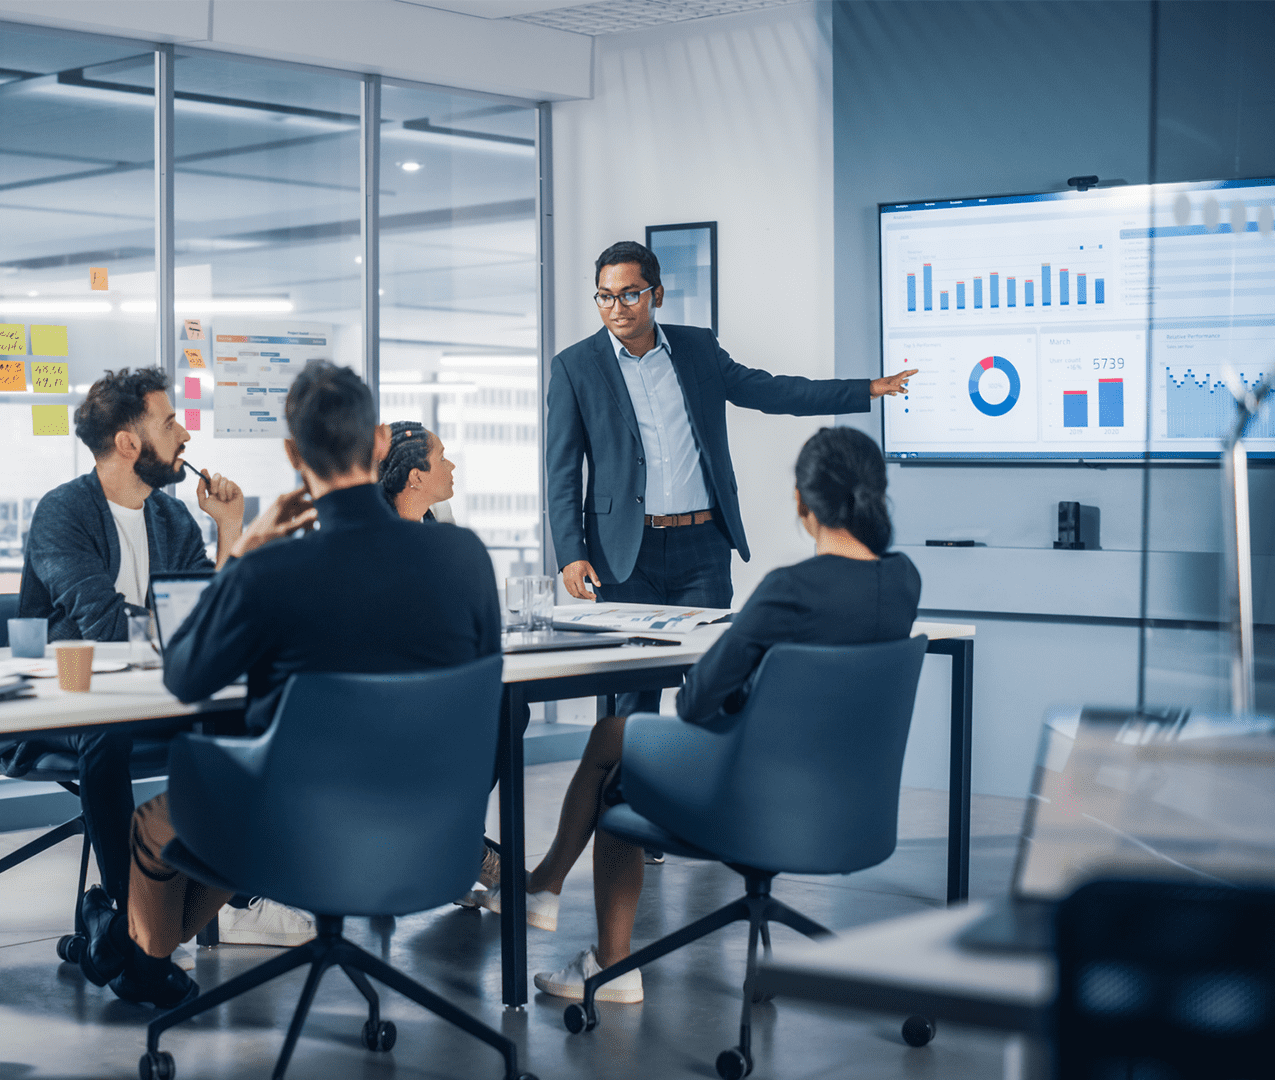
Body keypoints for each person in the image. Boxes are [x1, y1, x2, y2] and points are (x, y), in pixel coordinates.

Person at [93, 361, 502, 1008]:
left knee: (160, 820)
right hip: (431, 831)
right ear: (376, 442)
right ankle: (122, 951)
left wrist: (247, 549)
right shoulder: (466, 557)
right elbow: (481, 687)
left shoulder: (275, 570)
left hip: (296, 833)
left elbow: (186, 674)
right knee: (232, 796)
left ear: (291, 453)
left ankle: (134, 959)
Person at [528, 427, 921, 1003]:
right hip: (848, 805)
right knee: (616, 735)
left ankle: (606, 963)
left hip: (752, 800)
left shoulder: (791, 588)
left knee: (617, 777)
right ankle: (545, 889)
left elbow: (694, 703)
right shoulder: (903, 580)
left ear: (801, 502)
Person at [546, 240, 915, 716]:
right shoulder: (575, 367)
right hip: (623, 554)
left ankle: (705, 784)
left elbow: (772, 390)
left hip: (701, 547)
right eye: (605, 296)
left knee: (715, 681)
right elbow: (561, 469)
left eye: (630, 294)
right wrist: (571, 554)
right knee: (630, 697)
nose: (617, 307)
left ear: (656, 294)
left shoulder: (697, 348)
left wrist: (864, 389)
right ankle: (619, 791)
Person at [1, 368, 244, 973]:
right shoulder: (64, 513)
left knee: (240, 724)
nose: (184, 433)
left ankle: (171, 911)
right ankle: (128, 923)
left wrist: (231, 530)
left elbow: (210, 624)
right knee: (105, 736)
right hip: (66, 715)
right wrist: (178, 627)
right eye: (168, 422)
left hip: (154, 702)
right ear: (128, 443)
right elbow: (104, 625)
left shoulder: (171, 519)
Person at [377, 420, 456, 521]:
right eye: (441, 458)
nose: (452, 466)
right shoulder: (375, 529)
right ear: (416, 478)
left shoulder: (441, 513)